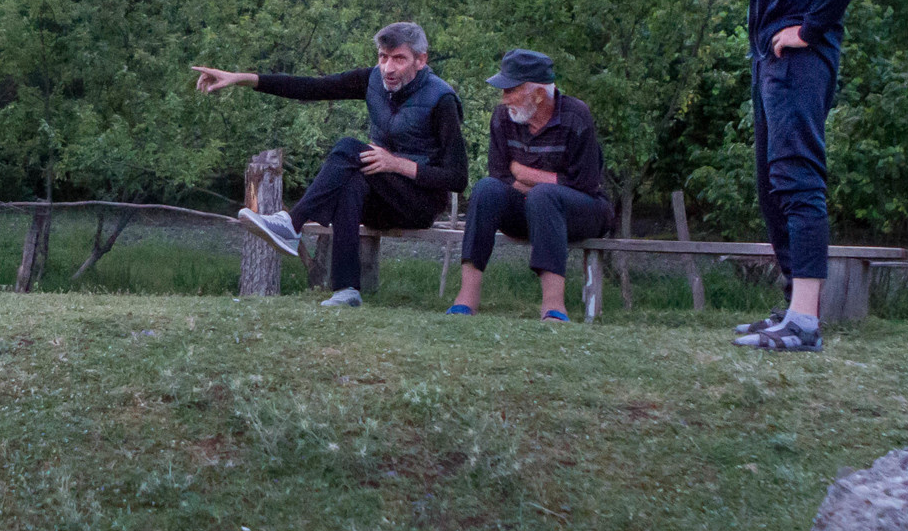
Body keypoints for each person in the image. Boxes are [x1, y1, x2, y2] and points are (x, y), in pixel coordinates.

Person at [192, 22, 466, 308]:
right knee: (350, 183)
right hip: (383, 203)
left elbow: (457, 178)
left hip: (419, 205)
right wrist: (240, 79)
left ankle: (292, 223)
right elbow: (311, 87)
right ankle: (347, 290)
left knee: (349, 147)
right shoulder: (372, 80)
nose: (388, 68)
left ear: (421, 60)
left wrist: (396, 164)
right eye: (383, 57)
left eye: (399, 59)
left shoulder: (441, 99)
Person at [738, 0, 863, 352]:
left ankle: (806, 323)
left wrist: (810, 30)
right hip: (771, 58)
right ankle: (793, 306)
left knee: (796, 177)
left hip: (798, 57)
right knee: (772, 184)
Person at [449, 49, 612, 321]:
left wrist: (525, 173)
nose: (504, 99)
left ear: (537, 94)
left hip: (584, 212)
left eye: (510, 90)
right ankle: (466, 301)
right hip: (530, 209)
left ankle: (553, 308)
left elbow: (585, 184)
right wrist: (539, 187)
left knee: (545, 197)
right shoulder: (503, 117)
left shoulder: (576, 116)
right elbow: (500, 175)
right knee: (486, 189)